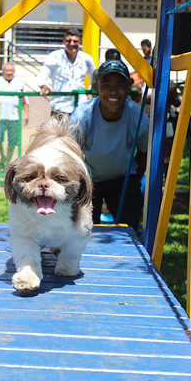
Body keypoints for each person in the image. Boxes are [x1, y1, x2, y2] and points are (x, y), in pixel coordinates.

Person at [70, 60, 149, 231]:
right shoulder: (81, 116)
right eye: (106, 85)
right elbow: (69, 155)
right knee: (81, 232)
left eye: (119, 85)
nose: (113, 92)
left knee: (130, 230)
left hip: (122, 179)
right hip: (87, 181)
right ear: (97, 87)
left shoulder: (137, 116)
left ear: (129, 87)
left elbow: (145, 152)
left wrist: (133, 177)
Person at [37, 30, 95, 116]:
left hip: (80, 107)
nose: (72, 44)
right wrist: (44, 86)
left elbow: (95, 77)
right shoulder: (55, 57)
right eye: (68, 41)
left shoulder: (86, 59)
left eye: (75, 41)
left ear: (79, 42)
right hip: (59, 107)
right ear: (64, 42)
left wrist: (91, 92)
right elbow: (43, 74)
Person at [0, 62, 29, 168]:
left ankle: (7, 161)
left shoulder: (19, 82)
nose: (9, 73)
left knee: (13, 142)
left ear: (14, 72)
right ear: (3, 71)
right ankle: (3, 157)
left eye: (11, 70)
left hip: (14, 117)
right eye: (7, 70)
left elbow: (24, 99)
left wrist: (26, 114)